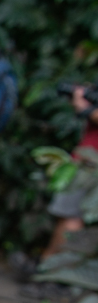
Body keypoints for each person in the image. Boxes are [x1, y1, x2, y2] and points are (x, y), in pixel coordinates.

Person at [43, 85, 98, 257]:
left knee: (71, 216)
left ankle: (54, 268)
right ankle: (50, 264)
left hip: (89, 163)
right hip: (88, 160)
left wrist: (84, 107)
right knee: (69, 216)